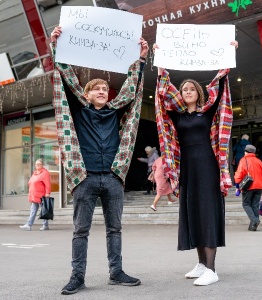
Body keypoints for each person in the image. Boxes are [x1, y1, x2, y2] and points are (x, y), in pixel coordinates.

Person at [50, 27, 149, 295]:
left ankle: (116, 273)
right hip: (86, 177)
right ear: (88, 93)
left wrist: (140, 60)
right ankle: (77, 276)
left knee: (114, 229)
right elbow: (66, 79)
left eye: (105, 88)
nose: (103, 91)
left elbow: (131, 90)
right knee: (80, 231)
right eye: (97, 89)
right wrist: (57, 46)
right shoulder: (79, 110)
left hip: (113, 177)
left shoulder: (116, 112)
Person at [153, 41, 238, 286]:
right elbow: (163, 94)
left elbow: (219, 87)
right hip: (187, 170)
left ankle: (212, 269)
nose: (187, 90)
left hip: (208, 168)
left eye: (192, 88)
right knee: (193, 213)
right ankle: (201, 264)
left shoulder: (208, 111)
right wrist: (161, 67)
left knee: (207, 212)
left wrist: (227, 53)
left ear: (198, 92)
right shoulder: (177, 114)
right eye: (184, 88)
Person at [234, 144, 262, 231]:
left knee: (246, 204)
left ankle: (255, 220)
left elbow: (239, 174)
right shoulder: (259, 161)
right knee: (255, 205)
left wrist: (237, 186)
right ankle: (253, 227)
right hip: (259, 186)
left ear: (246, 152)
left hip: (248, 186)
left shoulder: (243, 160)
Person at [19, 159, 51, 231]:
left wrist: (47, 193)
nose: (37, 165)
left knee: (44, 210)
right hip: (34, 195)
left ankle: (45, 225)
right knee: (33, 210)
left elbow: (47, 184)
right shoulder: (35, 173)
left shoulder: (45, 173)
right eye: (36, 164)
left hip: (41, 195)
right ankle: (28, 225)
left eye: (39, 164)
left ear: (42, 165)